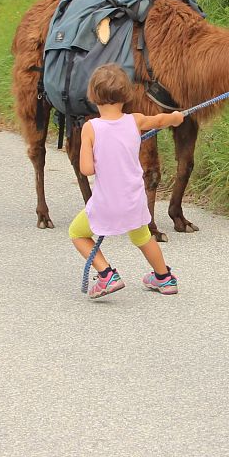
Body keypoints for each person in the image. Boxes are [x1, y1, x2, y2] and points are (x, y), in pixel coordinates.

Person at [70, 63, 185, 299]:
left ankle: (106, 274)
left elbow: (86, 169)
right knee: (142, 236)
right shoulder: (136, 121)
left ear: (92, 96)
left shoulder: (90, 128)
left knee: (77, 233)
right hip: (133, 199)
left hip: (106, 203)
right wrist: (175, 117)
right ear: (126, 94)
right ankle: (164, 278)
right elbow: (161, 120)